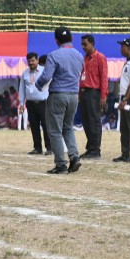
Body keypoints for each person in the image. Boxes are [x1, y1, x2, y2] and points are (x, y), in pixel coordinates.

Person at [35, 26, 84, 174]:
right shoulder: (79, 56)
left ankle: (60, 164)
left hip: (58, 95)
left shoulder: (54, 55)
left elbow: (46, 76)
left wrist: (38, 85)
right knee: (68, 128)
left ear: (56, 40)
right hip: (74, 95)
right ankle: (74, 157)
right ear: (72, 38)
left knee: (55, 131)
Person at [79, 35, 108, 159]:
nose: (83, 47)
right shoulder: (83, 59)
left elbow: (104, 78)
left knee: (94, 121)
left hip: (94, 92)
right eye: (82, 44)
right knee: (85, 121)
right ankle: (90, 148)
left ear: (92, 43)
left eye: (85, 44)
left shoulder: (100, 58)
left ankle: (96, 150)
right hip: (84, 92)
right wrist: (79, 93)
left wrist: (103, 96)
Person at [19, 52, 52, 156]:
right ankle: (37, 148)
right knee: (34, 126)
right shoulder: (25, 73)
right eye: (29, 61)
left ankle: (49, 148)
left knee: (46, 126)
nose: (31, 63)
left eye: (33, 60)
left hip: (44, 103)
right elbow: (22, 89)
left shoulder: (44, 71)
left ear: (37, 60)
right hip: (30, 103)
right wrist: (21, 103)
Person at [114, 38, 130, 162]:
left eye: (122, 46)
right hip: (126, 97)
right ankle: (125, 154)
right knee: (124, 127)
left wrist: (125, 99)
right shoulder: (128, 61)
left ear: (128, 48)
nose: (121, 49)